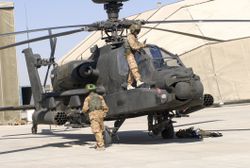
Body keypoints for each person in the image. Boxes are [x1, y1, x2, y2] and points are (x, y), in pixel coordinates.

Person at [82, 84, 109, 150]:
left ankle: (101, 146)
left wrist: (84, 112)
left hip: (93, 114)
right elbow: (105, 106)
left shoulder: (87, 98)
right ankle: (99, 143)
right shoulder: (100, 97)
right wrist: (104, 112)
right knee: (101, 129)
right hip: (101, 113)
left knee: (96, 130)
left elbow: (85, 109)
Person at [125, 23, 146, 90]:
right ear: (133, 30)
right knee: (134, 67)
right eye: (136, 31)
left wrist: (143, 44)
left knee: (132, 71)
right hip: (129, 54)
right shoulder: (130, 37)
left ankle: (129, 84)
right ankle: (138, 81)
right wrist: (141, 46)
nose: (137, 32)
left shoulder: (133, 37)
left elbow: (138, 43)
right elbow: (134, 46)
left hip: (132, 53)